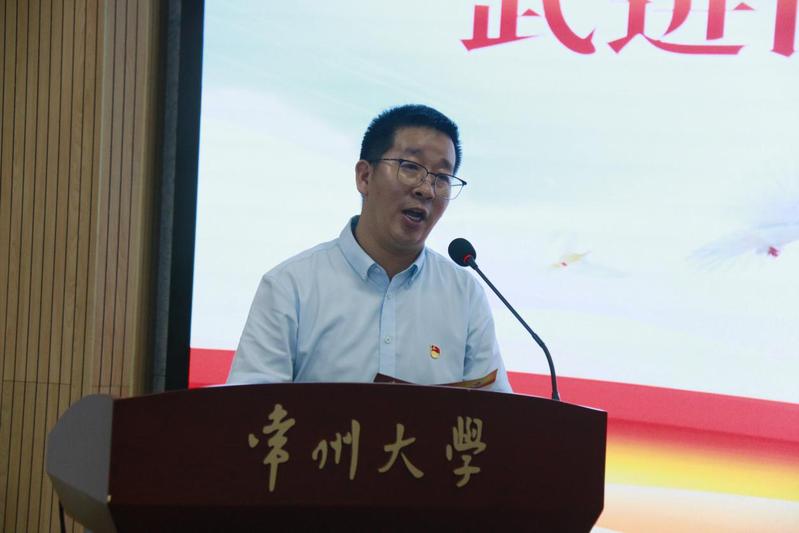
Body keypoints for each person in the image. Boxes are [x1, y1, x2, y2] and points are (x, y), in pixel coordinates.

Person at [226, 104, 512, 392]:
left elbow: (497, 412)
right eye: (410, 167)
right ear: (365, 177)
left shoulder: (464, 294)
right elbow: (250, 411)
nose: (426, 190)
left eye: (442, 178)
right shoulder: (290, 286)